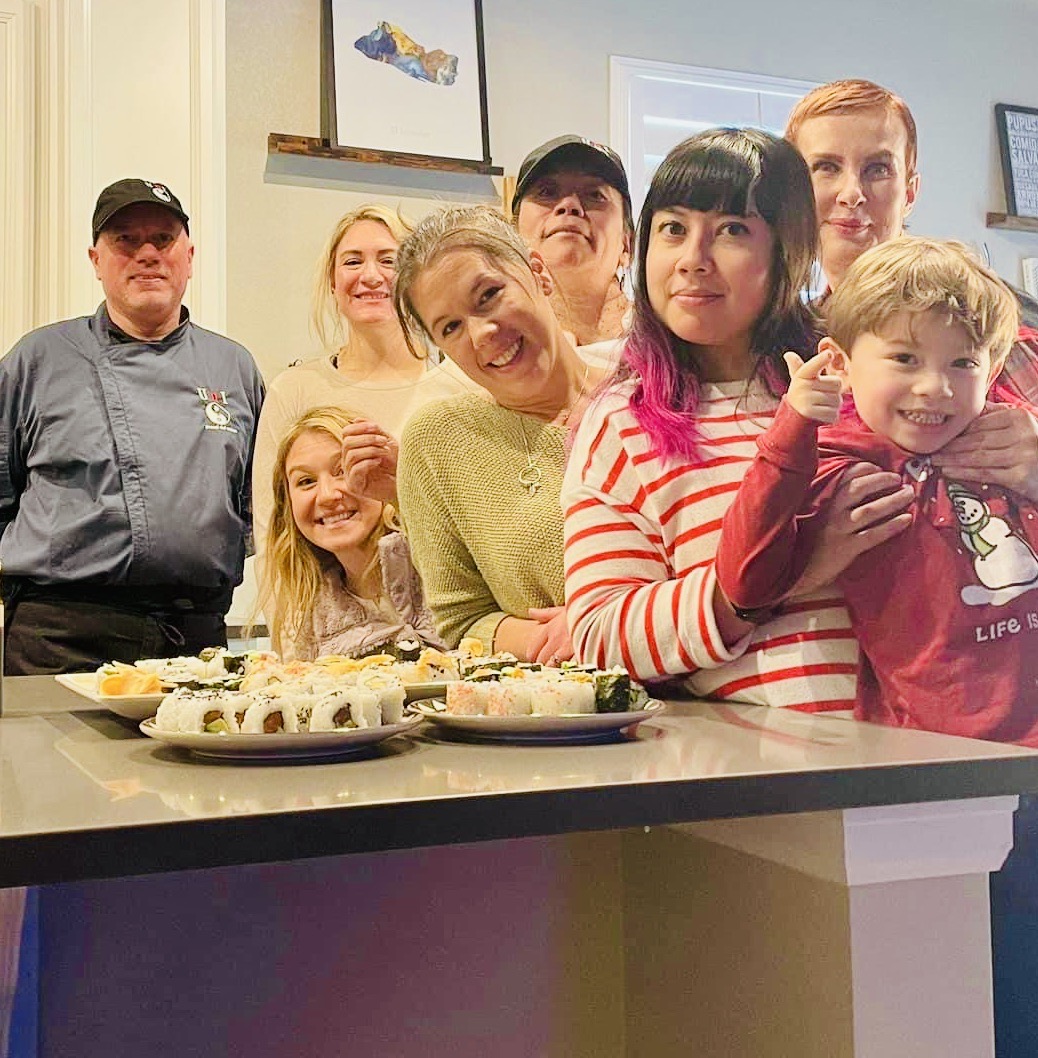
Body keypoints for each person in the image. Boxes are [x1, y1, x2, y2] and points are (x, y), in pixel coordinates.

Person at [562, 128, 914, 707]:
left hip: (929, 741)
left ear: (788, 250)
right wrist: (773, 576)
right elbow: (601, 639)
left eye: (732, 230)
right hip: (762, 753)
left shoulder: (860, 376)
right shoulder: (622, 421)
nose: (692, 261)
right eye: (673, 228)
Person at [715, 237, 1037, 743]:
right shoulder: (842, 462)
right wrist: (791, 429)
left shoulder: (1014, 440)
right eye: (905, 358)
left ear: (992, 369)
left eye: (963, 363)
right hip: (938, 755)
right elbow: (746, 581)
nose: (935, 387)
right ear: (839, 365)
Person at [0, 178, 264, 674]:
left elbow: (256, 502)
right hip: (60, 638)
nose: (147, 254)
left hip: (196, 637)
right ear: (96, 260)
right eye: (126, 240)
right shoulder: (38, 359)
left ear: (189, 257)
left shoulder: (234, 367)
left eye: (163, 239)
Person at [786, 78, 1038, 479]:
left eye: (877, 169)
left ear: (910, 192)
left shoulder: (1002, 318)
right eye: (826, 167)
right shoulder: (783, 341)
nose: (851, 193)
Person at [395, 205, 608, 662]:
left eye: (488, 295)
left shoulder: (651, 394)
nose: (481, 334)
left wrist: (611, 623)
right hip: (562, 699)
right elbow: (463, 620)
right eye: (450, 327)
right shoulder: (436, 443)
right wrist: (557, 640)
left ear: (538, 273)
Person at [251, 204, 482, 556]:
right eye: (353, 261)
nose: (371, 276)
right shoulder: (294, 391)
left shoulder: (466, 385)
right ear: (332, 282)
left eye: (388, 261)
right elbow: (273, 534)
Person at [262, 406, 443, 660]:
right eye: (306, 481)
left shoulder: (439, 557)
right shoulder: (309, 625)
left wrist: (408, 487)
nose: (327, 495)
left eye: (343, 471)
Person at [512, 135, 634, 359]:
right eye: (546, 192)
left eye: (595, 195)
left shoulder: (672, 347)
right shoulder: (484, 351)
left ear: (627, 246)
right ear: (512, 233)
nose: (570, 205)